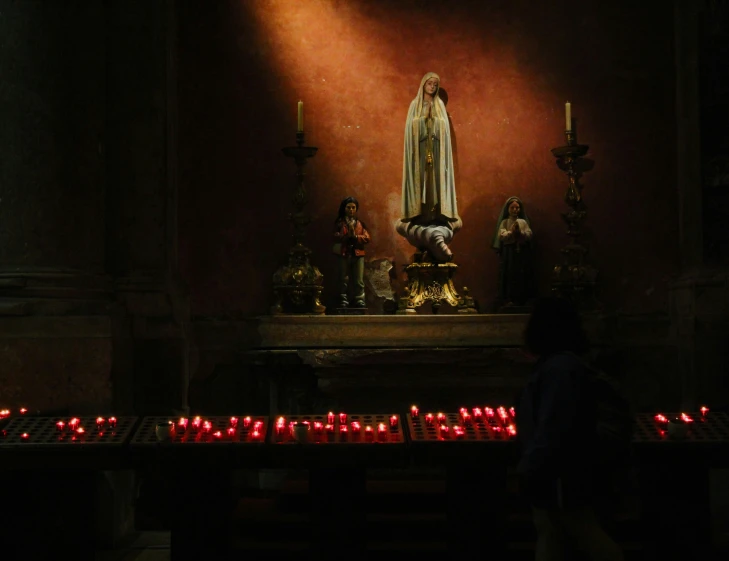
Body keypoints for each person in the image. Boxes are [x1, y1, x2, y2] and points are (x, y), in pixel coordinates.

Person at [517, 297, 624, 561]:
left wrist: (531, 465)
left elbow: (553, 423)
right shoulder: (561, 365)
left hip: (562, 471)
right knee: (552, 532)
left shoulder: (559, 369)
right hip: (562, 468)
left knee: (582, 532)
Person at [395, 72, 462, 262]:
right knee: (421, 185)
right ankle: (421, 216)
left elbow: (444, 133)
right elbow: (410, 130)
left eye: (435, 84)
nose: (432, 87)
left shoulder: (440, 106)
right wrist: (423, 119)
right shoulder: (414, 106)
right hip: (420, 156)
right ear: (423, 84)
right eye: (429, 83)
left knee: (435, 186)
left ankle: (436, 217)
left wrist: (436, 121)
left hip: (436, 158)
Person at [492, 196, 535, 307]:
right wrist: (511, 233)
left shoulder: (523, 222)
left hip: (521, 252)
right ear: (508, 209)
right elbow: (501, 235)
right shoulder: (505, 222)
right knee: (509, 273)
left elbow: (529, 234)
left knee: (521, 273)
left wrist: (521, 233)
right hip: (509, 252)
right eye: (512, 208)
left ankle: (521, 298)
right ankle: (508, 298)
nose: (515, 210)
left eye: (517, 208)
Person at [333, 196, 371, 308]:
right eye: (349, 207)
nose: (351, 210)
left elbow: (367, 238)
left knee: (358, 279)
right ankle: (343, 298)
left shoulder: (360, 224)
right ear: (344, 208)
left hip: (357, 253)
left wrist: (356, 237)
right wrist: (344, 237)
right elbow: (334, 236)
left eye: (353, 207)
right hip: (344, 253)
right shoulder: (339, 223)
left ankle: (359, 299)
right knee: (343, 278)